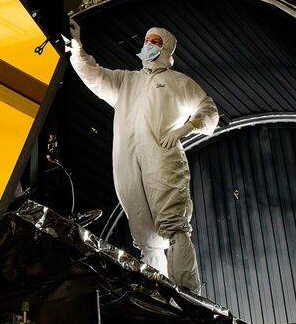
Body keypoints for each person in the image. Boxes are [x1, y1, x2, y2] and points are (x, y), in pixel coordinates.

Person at [66, 20, 219, 292]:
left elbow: (208, 109)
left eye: (155, 42)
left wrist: (188, 127)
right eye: (147, 40)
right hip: (127, 161)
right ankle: (157, 294)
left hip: (162, 159)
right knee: (146, 237)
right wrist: (77, 49)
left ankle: (189, 294)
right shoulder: (128, 81)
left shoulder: (177, 82)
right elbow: (95, 76)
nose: (148, 45)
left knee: (174, 227)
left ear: (167, 48)